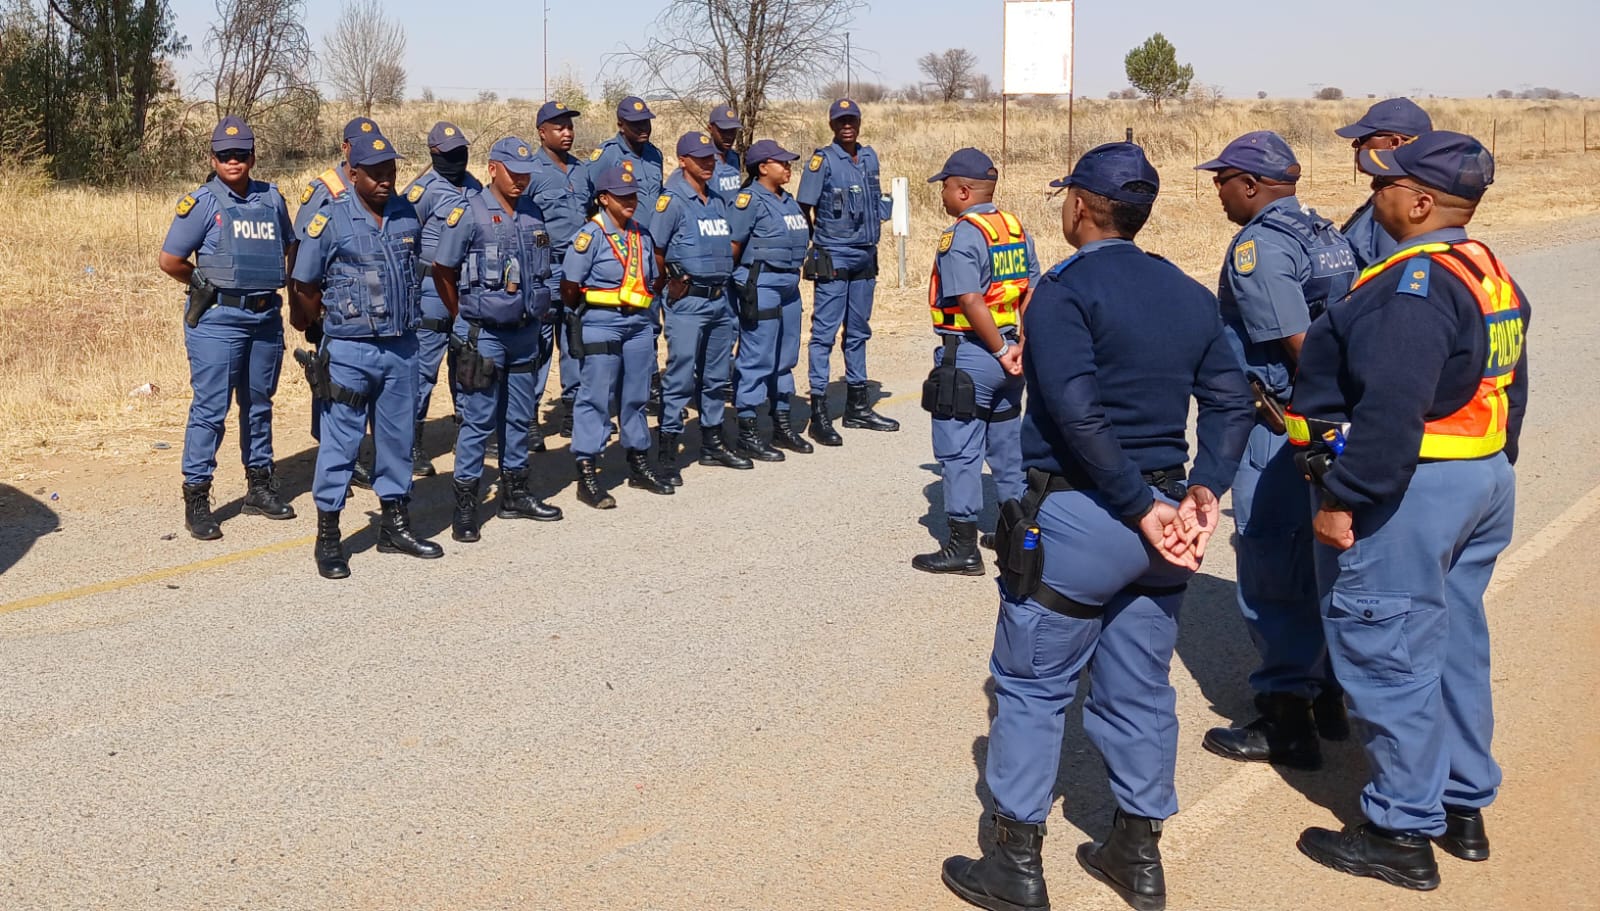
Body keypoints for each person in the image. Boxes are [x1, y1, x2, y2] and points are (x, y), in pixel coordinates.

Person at [941, 143, 1254, 911]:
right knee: (1141, 686)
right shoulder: (1184, 291)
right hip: (1165, 518)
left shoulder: (1062, 291)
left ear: (1079, 205)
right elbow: (1232, 399)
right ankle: (1137, 853)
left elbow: (1076, 411)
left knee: (1031, 686)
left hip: (1088, 511)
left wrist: (1135, 500)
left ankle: (1015, 862)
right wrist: (1205, 488)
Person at [1289, 132, 1525, 891]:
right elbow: (1512, 386)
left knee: (1388, 649)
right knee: (1454, 640)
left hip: (1412, 487)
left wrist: (1342, 499)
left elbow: (1391, 407)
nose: (1373, 193)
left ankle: (1400, 827)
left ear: (1421, 203)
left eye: (1385, 184)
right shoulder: (1486, 269)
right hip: (1477, 477)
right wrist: (1492, 465)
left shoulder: (1413, 284)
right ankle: (1462, 803)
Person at [1193, 131, 1357, 770]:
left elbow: (1301, 345)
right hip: (1323, 424)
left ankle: (1287, 717)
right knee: (1315, 566)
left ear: (1253, 185)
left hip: (1280, 424)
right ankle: (1326, 697)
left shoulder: (1259, 245)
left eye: (1224, 177)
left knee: (1271, 566)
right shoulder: (1323, 231)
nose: (1217, 188)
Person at [289, 128, 443, 579]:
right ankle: (329, 535)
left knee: (396, 441)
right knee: (341, 443)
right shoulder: (330, 219)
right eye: (374, 173)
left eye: (390, 171)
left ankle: (394, 525)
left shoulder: (405, 214)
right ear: (352, 173)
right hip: (350, 350)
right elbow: (304, 284)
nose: (384, 180)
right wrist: (316, 331)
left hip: (401, 349)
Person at [157, 116, 297, 540]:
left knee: (259, 404)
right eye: (224, 155)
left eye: (240, 154)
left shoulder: (272, 199)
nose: (233, 161)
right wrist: (201, 283)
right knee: (211, 409)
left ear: (253, 156)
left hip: (264, 317)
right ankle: (197, 497)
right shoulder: (202, 202)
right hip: (219, 320)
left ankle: (259, 486)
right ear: (213, 158)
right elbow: (171, 260)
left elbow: (290, 246)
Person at [430, 137, 565, 542]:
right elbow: (442, 270)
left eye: (525, 174)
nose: (521, 180)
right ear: (492, 169)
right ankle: (467, 506)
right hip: (483, 336)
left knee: (519, 418)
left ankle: (515, 494)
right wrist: (462, 317)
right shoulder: (468, 213)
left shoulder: (532, 212)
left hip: (524, 334)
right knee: (477, 421)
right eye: (513, 172)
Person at [914, 148, 1038, 576]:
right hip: (1008, 358)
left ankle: (962, 548)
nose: (942, 194)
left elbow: (968, 299)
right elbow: (1030, 290)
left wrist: (1000, 350)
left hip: (971, 354)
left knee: (959, 452)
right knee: (1007, 450)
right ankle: (1017, 534)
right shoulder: (1013, 228)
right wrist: (1019, 344)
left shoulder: (963, 234)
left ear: (964, 190)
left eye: (945, 186)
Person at [559, 166, 675, 507]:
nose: (630, 202)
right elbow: (569, 287)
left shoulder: (641, 234)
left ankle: (639, 462)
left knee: (636, 395)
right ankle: (587, 470)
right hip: (601, 323)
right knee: (595, 397)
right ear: (603, 199)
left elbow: (654, 277)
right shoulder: (590, 236)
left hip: (638, 324)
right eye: (622, 197)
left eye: (633, 196)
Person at [796, 98, 898, 444]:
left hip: (865, 255)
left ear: (859, 121)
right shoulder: (822, 161)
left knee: (858, 331)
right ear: (832, 125)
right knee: (824, 334)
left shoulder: (869, 156)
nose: (847, 126)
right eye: (841, 121)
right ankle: (819, 411)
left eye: (851, 119)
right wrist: (817, 246)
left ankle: (857, 405)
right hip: (834, 256)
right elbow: (803, 206)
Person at [651, 131, 751, 483]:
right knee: (680, 375)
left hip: (719, 300)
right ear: (683, 161)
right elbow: (657, 250)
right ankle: (667, 449)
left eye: (710, 157)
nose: (708, 163)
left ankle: (712, 442)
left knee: (714, 376)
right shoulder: (672, 201)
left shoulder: (718, 200)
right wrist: (670, 285)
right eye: (700, 158)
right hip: (688, 301)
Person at [295, 115, 380, 488]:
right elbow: (299, 251)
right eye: (356, 144)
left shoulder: (377, 181)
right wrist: (304, 312)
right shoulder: (324, 189)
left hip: (371, 303)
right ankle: (334, 452)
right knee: (332, 381)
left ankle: (354, 450)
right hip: (332, 302)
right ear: (345, 148)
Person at [402, 120, 483, 477]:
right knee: (423, 369)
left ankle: (466, 434)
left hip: (469, 285)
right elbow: (405, 240)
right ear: (433, 155)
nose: (457, 159)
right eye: (449, 155)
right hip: (431, 289)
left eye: (460, 152)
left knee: (467, 360)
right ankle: (410, 443)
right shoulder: (422, 193)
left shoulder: (476, 187)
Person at [725, 139, 814, 459]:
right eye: (782, 163)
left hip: (789, 285)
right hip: (760, 284)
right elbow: (733, 247)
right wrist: (737, 288)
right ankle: (748, 426)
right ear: (763, 167)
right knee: (756, 355)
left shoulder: (788, 201)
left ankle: (781, 421)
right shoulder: (749, 201)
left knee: (785, 355)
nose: (788, 167)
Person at [529, 100, 591, 440]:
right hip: (543, 271)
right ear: (542, 133)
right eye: (559, 127)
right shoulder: (531, 173)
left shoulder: (582, 171)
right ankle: (529, 418)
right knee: (536, 348)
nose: (567, 133)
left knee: (575, 344)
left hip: (577, 272)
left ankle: (574, 411)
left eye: (569, 126)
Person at [1334, 98, 1433, 268]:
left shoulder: (1400, 204)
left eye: (1363, 138)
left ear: (1394, 143)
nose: (1355, 144)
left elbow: (1393, 277)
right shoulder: (1392, 191)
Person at [590, 95, 664, 214]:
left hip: (653, 231)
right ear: (621, 126)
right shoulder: (608, 155)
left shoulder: (655, 154)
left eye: (646, 122)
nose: (643, 128)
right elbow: (587, 195)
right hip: (621, 231)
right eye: (636, 124)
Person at [706, 104, 744, 203]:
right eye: (723, 131)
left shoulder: (734, 158)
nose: (729, 136)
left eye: (732, 131)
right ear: (710, 128)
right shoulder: (702, 159)